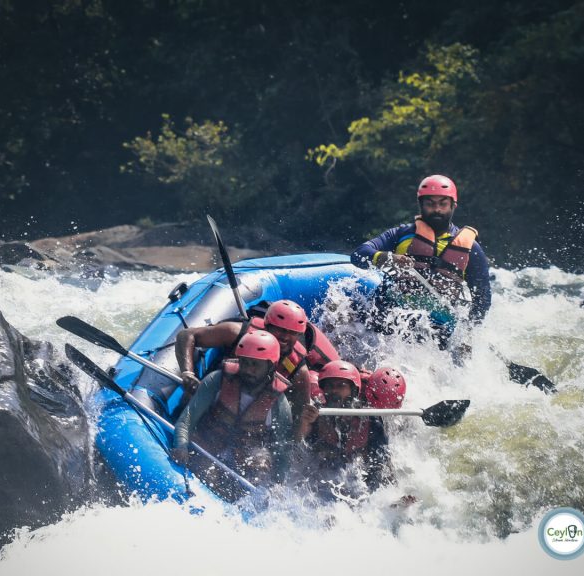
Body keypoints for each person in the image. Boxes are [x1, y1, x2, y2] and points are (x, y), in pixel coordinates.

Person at [351, 175, 492, 345]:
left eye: (443, 204)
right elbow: (358, 254)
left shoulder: (471, 248)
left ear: (453, 206)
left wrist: (467, 338)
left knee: (428, 330)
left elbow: (482, 299)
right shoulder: (400, 234)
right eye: (430, 204)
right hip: (390, 313)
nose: (437, 209)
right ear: (421, 205)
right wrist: (386, 258)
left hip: (438, 326)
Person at [171, 330, 293, 499]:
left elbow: (282, 449)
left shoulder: (279, 404)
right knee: (207, 471)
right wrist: (181, 446)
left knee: (261, 465)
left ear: (271, 366)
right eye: (245, 363)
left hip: (247, 452)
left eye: (255, 365)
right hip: (210, 442)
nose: (248, 370)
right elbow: (187, 420)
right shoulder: (217, 380)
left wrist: (278, 484)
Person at [175, 299, 341, 418]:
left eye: (292, 333)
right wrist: (187, 373)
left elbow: (300, 412)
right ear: (266, 326)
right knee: (189, 399)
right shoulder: (235, 332)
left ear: (299, 335)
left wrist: (308, 417)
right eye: (280, 330)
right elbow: (187, 335)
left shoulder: (298, 369)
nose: (284, 337)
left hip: (253, 415)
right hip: (219, 394)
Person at [294, 361, 403, 498]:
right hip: (325, 485)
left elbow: (384, 463)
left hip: (361, 484)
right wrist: (305, 424)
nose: (334, 390)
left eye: (341, 386)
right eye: (330, 386)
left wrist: (395, 495)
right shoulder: (315, 415)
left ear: (354, 390)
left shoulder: (371, 420)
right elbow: (298, 455)